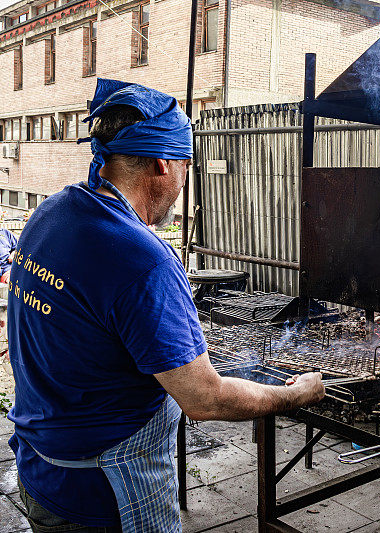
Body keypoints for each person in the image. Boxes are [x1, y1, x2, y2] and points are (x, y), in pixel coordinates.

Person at [6, 79, 325, 533]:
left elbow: (82, 325)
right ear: (163, 163)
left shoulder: (52, 213)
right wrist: (294, 395)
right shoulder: (143, 259)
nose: (184, 180)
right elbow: (203, 399)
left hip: (40, 471)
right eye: (185, 166)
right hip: (104, 495)